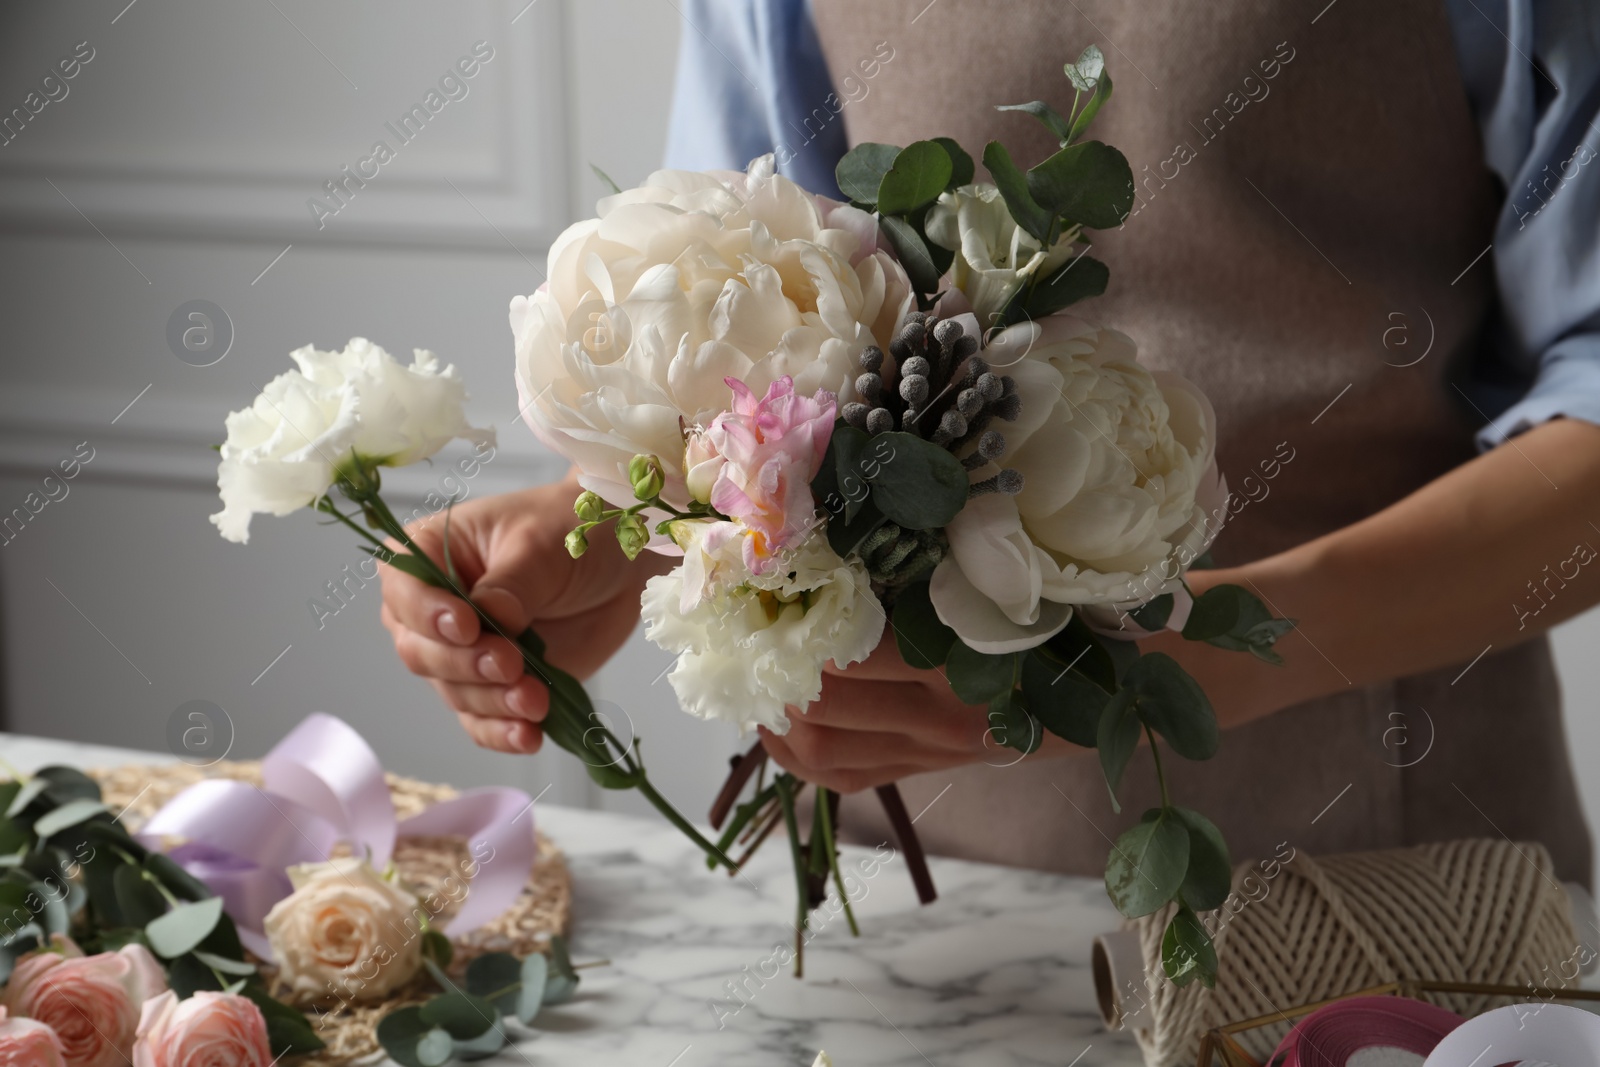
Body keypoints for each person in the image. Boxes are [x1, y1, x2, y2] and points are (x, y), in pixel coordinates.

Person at [381, 0, 1600, 884]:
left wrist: (1211, 653)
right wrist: (624, 522)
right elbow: (758, 355)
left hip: (1409, 881)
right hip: (913, 902)